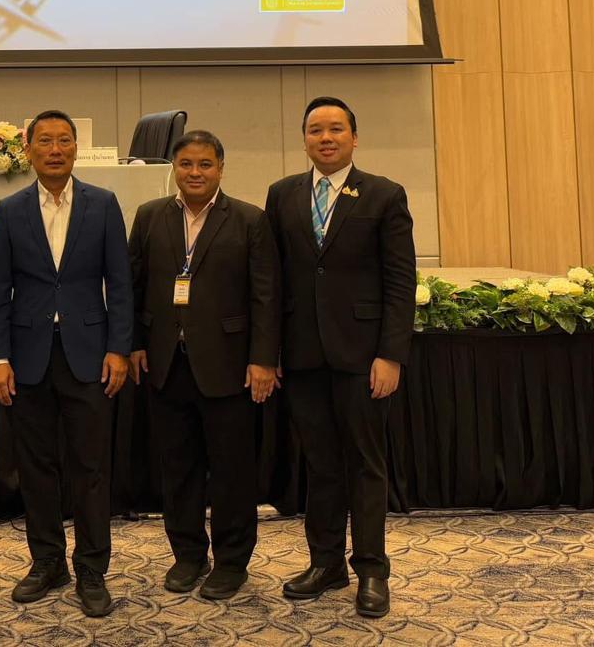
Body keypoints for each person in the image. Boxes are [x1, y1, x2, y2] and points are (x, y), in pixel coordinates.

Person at [265, 96, 415, 618]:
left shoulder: (384, 194)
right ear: (304, 139)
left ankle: (372, 570)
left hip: (362, 356)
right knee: (321, 465)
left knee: (366, 465)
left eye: (335, 129)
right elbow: (272, 281)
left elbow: (400, 281)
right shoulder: (282, 194)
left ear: (354, 137)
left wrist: (390, 354)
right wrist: (270, 351)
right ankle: (326, 563)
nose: (325, 138)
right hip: (303, 355)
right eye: (315, 130)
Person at [0, 109, 132, 618]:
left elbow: (120, 284)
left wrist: (118, 348)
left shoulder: (103, 204)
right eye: (44, 141)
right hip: (28, 358)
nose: (55, 149)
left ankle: (91, 567)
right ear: (29, 151)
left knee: (91, 468)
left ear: (76, 149)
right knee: (36, 467)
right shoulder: (9, 211)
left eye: (64, 140)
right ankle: (47, 561)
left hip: (90, 356)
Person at [128, 130, 280, 599]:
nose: (195, 173)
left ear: (220, 168)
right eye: (187, 164)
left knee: (232, 471)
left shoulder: (250, 220)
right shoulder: (150, 216)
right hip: (166, 364)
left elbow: (266, 296)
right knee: (178, 469)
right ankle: (188, 555)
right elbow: (133, 286)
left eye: (205, 164)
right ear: (174, 168)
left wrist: (263, 359)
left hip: (229, 367)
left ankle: (232, 562)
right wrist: (134, 344)